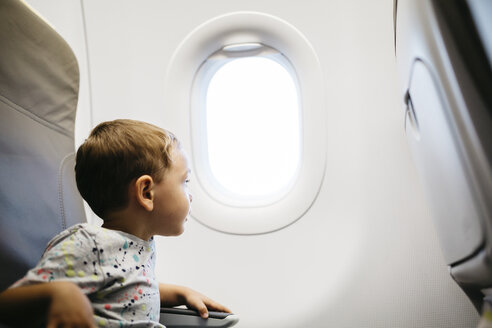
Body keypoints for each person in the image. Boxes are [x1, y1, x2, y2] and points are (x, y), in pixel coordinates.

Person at [0, 119, 231, 328]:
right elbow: (7, 305)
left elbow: (126, 287)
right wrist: (60, 293)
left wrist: (180, 293)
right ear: (146, 192)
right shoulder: (90, 244)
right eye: (185, 181)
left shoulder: (137, 244)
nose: (190, 195)